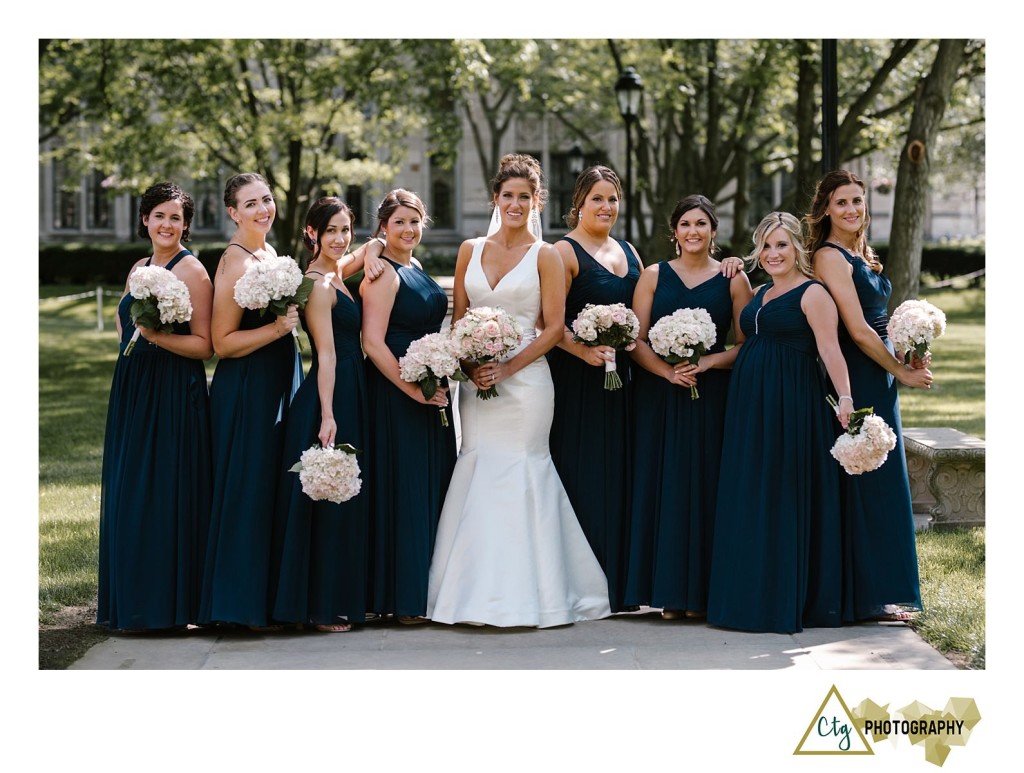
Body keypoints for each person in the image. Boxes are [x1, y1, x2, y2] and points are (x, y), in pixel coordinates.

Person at [427, 154, 611, 628]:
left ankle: (540, 594)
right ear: (495, 199)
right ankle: (468, 594)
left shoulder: (545, 256)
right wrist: (470, 366)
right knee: (478, 465)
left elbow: (552, 329)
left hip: (527, 384)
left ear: (536, 202)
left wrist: (506, 367)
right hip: (478, 384)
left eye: (524, 197)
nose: (514, 203)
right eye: (507, 195)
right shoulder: (469, 249)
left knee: (523, 469)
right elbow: (459, 321)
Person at [706, 211, 853, 634]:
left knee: (782, 493)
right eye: (767, 246)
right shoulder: (761, 292)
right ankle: (747, 594)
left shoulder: (813, 294)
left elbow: (830, 351)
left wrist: (845, 398)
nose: (773, 253)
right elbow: (746, 340)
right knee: (752, 492)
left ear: (798, 249)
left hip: (791, 406)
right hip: (750, 407)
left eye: (782, 245)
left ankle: (781, 599)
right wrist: (710, 360)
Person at [807, 170, 932, 623]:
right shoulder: (829, 256)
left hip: (882, 369)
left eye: (858, 201)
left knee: (882, 478)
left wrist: (909, 351)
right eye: (842, 202)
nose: (852, 209)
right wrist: (898, 369)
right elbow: (857, 330)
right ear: (825, 209)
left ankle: (881, 589)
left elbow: (879, 323)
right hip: (858, 373)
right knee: (866, 478)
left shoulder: (861, 252)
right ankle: (865, 594)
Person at [623, 194, 753, 620]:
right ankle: (667, 592)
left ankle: (700, 593)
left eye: (701, 224)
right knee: (666, 485)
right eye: (685, 225)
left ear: (713, 230)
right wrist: (667, 372)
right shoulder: (654, 276)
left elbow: (747, 342)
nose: (693, 231)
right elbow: (634, 339)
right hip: (660, 395)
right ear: (674, 232)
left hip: (713, 397)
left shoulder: (733, 279)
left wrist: (709, 361)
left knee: (708, 487)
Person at [97, 182, 214, 631]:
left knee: (164, 490)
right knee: (130, 489)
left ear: (186, 224)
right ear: (144, 219)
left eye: (176, 218)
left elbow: (204, 346)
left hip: (172, 389)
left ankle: (166, 607)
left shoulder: (194, 272)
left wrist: (156, 338)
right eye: (159, 215)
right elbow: (124, 322)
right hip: (133, 386)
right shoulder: (139, 267)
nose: (167, 224)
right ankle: (130, 600)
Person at [198, 172, 304, 630]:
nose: (263, 209)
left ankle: (266, 601)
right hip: (247, 387)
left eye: (266, 199)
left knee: (271, 487)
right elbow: (222, 342)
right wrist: (277, 330)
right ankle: (235, 607)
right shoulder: (235, 262)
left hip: (278, 378)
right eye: (251, 203)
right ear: (233, 213)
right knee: (248, 488)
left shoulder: (270, 254)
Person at [269, 197, 377, 632]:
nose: (339, 238)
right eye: (330, 230)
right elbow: (326, 354)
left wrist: (370, 247)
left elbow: (354, 255)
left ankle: (342, 594)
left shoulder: (336, 273)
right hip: (330, 392)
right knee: (328, 495)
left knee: (343, 494)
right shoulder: (317, 284)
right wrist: (328, 413)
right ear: (311, 233)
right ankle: (320, 604)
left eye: (345, 229)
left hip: (354, 387)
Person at [547, 165, 641, 613]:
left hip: (623, 382)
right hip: (576, 381)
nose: (606, 207)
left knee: (620, 474)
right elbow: (549, 322)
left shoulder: (629, 251)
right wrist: (581, 350)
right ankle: (583, 585)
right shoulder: (563, 253)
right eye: (597, 199)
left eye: (612, 198)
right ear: (578, 204)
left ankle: (621, 584)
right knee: (581, 472)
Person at [361, 189, 457, 624]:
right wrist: (412, 389)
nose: (408, 229)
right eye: (399, 222)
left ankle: (429, 588)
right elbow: (372, 343)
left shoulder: (414, 265)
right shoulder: (381, 273)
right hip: (397, 392)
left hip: (430, 385)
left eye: (415, 221)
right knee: (406, 489)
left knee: (432, 484)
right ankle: (403, 597)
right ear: (383, 226)